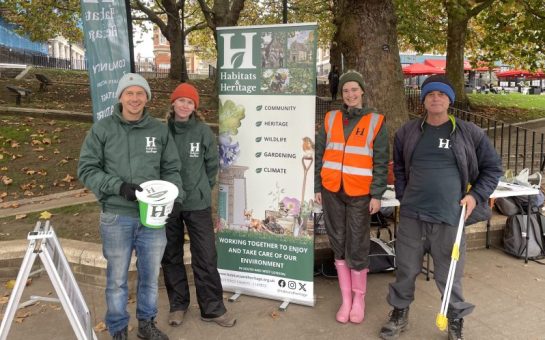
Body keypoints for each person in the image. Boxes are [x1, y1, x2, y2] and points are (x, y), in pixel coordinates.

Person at [379, 75, 502, 340]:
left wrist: (475, 196)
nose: (436, 98)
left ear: (450, 100)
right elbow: (399, 167)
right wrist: (403, 194)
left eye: (442, 95)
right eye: (431, 94)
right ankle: (399, 312)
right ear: (424, 99)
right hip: (413, 215)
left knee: (449, 275)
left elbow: (493, 169)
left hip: (450, 218)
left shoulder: (469, 133)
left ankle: (455, 318)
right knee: (406, 270)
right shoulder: (407, 132)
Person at [78, 73, 184, 340]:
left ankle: (146, 324)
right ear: (120, 97)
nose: (135, 98)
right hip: (116, 216)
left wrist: (172, 197)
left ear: (146, 98)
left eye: (140, 93)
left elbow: (171, 168)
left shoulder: (159, 130)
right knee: (116, 280)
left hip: (153, 218)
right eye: (130, 93)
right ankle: (118, 328)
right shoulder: (102, 129)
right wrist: (118, 186)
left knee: (150, 276)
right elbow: (87, 169)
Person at [314, 70, 389, 324]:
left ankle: (359, 298)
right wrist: (317, 186)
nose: (350, 94)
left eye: (354, 90)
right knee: (338, 241)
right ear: (341, 94)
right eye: (346, 90)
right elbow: (320, 154)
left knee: (356, 244)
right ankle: (346, 299)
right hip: (332, 190)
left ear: (363, 92)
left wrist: (377, 194)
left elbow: (380, 162)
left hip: (360, 193)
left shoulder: (376, 121)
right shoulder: (330, 118)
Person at [161, 83, 236, 328]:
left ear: (195, 107)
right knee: (170, 254)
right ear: (173, 103)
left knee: (205, 254)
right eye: (181, 100)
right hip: (169, 203)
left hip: (197, 203)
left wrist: (202, 187)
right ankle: (178, 305)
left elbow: (212, 165)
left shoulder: (203, 132)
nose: (184, 105)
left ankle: (212, 308)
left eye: (190, 102)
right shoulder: (161, 130)